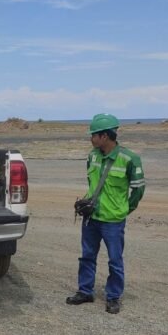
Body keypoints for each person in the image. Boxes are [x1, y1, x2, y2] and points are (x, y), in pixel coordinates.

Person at [66, 113, 146, 314]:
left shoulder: (130, 159)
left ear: (104, 136)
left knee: (115, 260)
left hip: (113, 221)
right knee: (87, 256)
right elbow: (91, 183)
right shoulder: (92, 156)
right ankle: (85, 291)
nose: (90, 138)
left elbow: (138, 189)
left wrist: (126, 209)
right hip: (91, 217)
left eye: (93, 135)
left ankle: (113, 297)